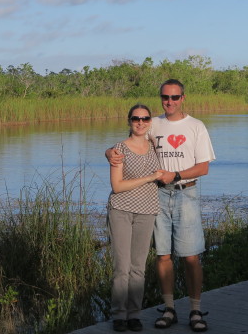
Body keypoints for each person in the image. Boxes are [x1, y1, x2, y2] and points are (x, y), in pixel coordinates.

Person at [107, 79, 216, 332]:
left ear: (183, 98)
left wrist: (176, 175)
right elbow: (127, 141)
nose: (169, 102)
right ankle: (169, 309)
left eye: (175, 97)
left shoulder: (196, 126)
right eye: (165, 97)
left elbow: (204, 167)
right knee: (163, 255)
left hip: (185, 193)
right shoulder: (153, 123)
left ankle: (196, 310)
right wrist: (108, 152)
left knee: (190, 256)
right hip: (156, 196)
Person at [107, 104, 164, 332]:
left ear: (150, 121)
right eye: (135, 119)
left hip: (147, 210)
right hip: (121, 210)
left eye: (145, 118)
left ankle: (134, 314)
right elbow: (117, 186)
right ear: (129, 121)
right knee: (122, 267)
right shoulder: (119, 149)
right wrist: (151, 177)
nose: (140, 122)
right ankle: (119, 315)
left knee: (138, 267)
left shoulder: (154, 146)